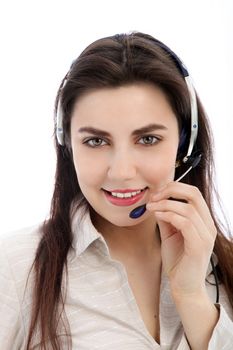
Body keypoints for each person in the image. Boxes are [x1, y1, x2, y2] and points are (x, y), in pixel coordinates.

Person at [0, 32, 233, 350]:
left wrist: (191, 293)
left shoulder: (226, 264)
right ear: (68, 145)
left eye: (147, 139)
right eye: (96, 141)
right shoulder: (14, 268)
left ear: (185, 145)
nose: (122, 172)